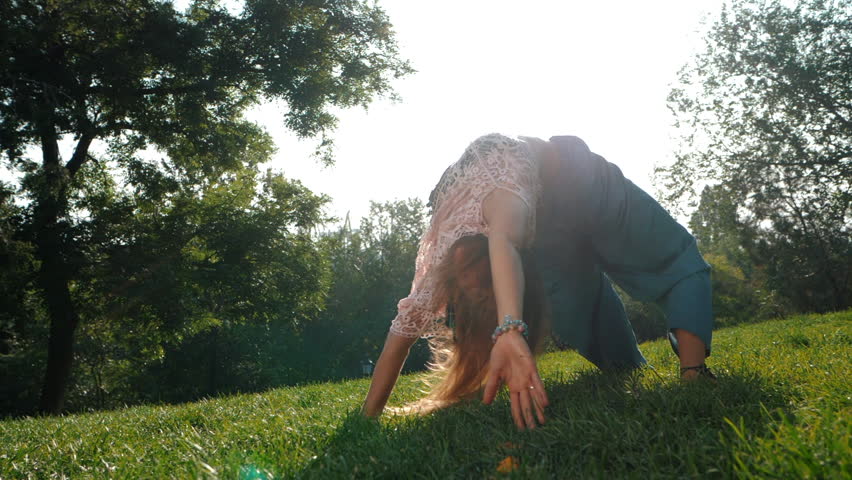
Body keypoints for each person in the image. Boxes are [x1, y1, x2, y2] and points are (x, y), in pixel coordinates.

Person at [361, 133, 715, 430]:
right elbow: (401, 335)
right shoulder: (442, 255)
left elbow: (504, 241)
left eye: (478, 284)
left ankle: (693, 373)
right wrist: (368, 418)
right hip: (543, 228)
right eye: (473, 290)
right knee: (583, 311)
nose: (472, 287)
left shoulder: (496, 187)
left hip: (580, 181)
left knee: (670, 256)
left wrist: (510, 329)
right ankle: (630, 369)